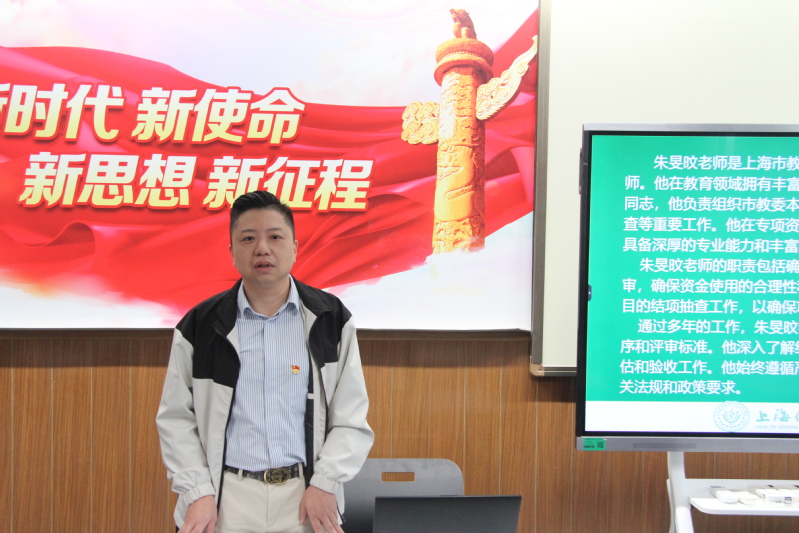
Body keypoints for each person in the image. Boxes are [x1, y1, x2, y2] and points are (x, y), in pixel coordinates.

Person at [156, 190, 374, 533]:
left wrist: (325, 482)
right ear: (232, 251)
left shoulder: (330, 319)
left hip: (304, 498)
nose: (262, 248)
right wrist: (197, 491)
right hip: (226, 501)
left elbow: (351, 415)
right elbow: (175, 418)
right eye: (248, 238)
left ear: (294, 247)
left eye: (275, 237)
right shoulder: (200, 325)